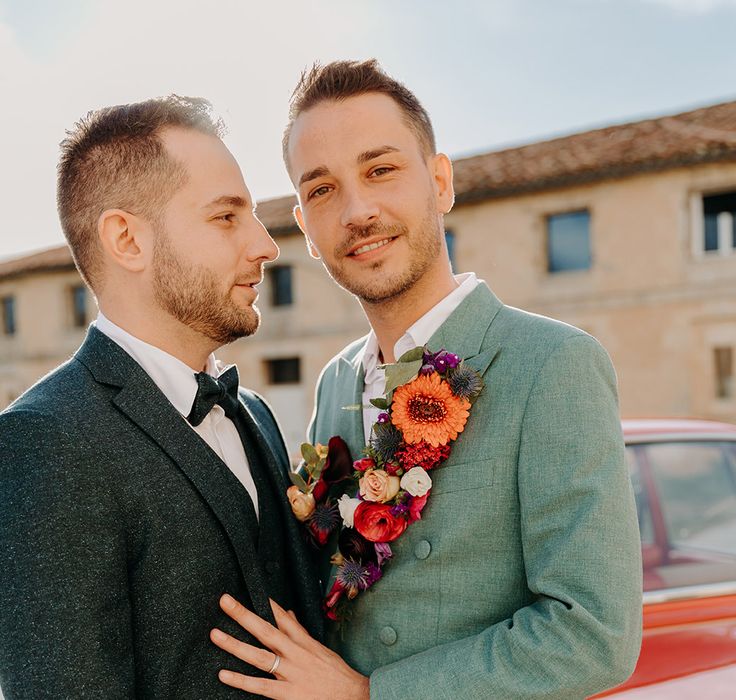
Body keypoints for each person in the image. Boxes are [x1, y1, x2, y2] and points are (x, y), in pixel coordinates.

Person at [211, 60, 643, 699]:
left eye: (380, 170)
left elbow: (593, 633)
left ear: (440, 182)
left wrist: (366, 695)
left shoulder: (554, 364)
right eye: (323, 190)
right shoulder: (335, 383)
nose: (358, 211)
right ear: (304, 227)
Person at [0, 96, 323, 698]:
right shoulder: (45, 440)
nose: (265, 245)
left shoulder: (253, 412)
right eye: (226, 217)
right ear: (127, 240)